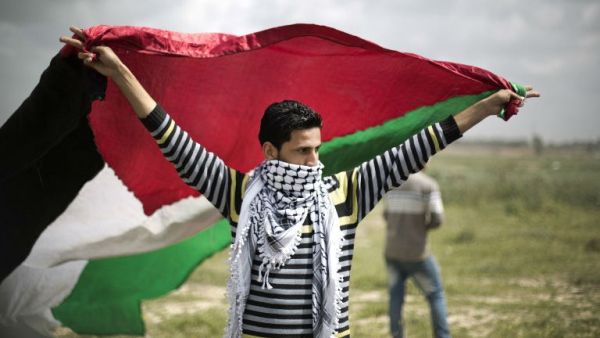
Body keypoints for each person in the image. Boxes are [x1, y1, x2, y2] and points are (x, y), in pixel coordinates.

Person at [60, 26, 539, 338]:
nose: (314, 160)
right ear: (270, 151)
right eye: (303, 150)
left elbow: (427, 142)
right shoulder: (239, 194)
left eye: (318, 148)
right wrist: (121, 72)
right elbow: (172, 137)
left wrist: (489, 104)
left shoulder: (348, 191)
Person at [383, 170, 449, 338]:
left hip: (392, 251)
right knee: (436, 295)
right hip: (417, 253)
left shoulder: (391, 184)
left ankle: (396, 334)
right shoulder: (428, 185)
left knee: (395, 297)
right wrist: (421, 228)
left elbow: (386, 215)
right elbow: (438, 219)